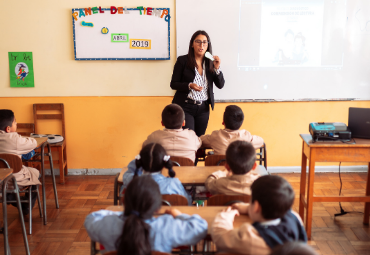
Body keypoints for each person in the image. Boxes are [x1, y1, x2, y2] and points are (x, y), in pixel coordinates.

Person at [85, 175, 208, 253]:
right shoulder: (167, 226)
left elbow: (91, 218)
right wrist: (178, 215)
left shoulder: (108, 225)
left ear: (123, 201)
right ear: (157, 208)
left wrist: (118, 213)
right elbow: (201, 227)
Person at [211, 175, 307, 254]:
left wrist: (224, 217)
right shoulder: (295, 217)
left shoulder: (250, 236)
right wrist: (249, 208)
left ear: (257, 207)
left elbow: (220, 236)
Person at [170, 30, 225, 137]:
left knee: (200, 140)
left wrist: (217, 68)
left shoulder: (210, 62)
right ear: (192, 44)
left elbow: (220, 85)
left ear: (208, 45)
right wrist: (189, 85)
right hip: (186, 106)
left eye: (205, 42)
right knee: (189, 138)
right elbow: (174, 84)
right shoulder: (182, 60)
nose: (201, 45)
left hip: (203, 108)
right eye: (198, 42)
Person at [121, 143, 192, 204]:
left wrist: (138, 163)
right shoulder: (174, 183)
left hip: (140, 219)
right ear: (164, 164)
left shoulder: (132, 182)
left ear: (140, 163)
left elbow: (126, 176)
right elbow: (187, 202)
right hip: (168, 218)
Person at [0, 109, 41, 215]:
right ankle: (26, 206)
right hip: (15, 181)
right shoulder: (15, 139)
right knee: (36, 174)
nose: (16, 123)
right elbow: (33, 143)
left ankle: (10, 198)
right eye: (15, 122)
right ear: (8, 129)